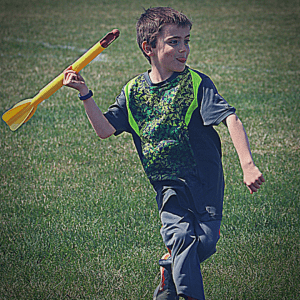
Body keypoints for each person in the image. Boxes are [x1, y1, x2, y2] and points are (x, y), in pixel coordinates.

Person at [63, 7, 265, 300]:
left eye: (187, 40)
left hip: (206, 181)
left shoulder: (196, 83)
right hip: (167, 182)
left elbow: (230, 118)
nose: (184, 49)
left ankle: (169, 272)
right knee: (181, 237)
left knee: (204, 244)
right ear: (149, 48)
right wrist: (85, 94)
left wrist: (247, 165)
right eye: (174, 42)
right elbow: (105, 129)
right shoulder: (133, 92)